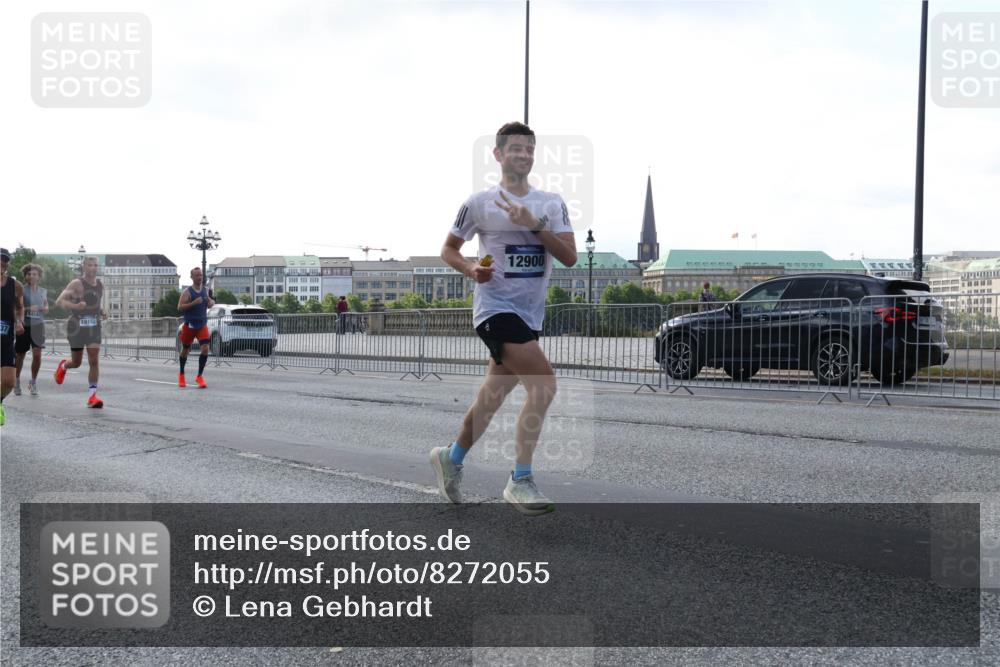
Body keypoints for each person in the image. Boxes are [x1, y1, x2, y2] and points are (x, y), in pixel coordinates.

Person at [430, 122, 576, 516]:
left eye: (529, 149)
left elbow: (569, 256)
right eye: (515, 149)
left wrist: (534, 223)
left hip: (530, 314)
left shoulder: (550, 203)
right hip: (494, 309)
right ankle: (520, 479)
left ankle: (451, 457)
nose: (523, 156)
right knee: (544, 384)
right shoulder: (479, 203)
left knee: (491, 398)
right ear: (498, 154)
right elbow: (448, 249)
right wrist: (470, 267)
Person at [53, 256, 107, 408]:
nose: (93, 268)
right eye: (90, 265)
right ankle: (64, 366)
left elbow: (94, 304)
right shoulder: (77, 283)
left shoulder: (100, 285)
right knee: (76, 362)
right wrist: (76, 306)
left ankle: (92, 397)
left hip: (93, 326)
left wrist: (102, 311)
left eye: (95, 265)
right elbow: (59, 301)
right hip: (76, 325)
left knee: (94, 360)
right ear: (84, 267)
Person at [177, 267, 215, 388]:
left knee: (205, 348)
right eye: (197, 275)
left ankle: (199, 376)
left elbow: (210, 302)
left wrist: (211, 303)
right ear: (192, 277)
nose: (200, 277)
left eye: (201, 275)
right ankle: (182, 374)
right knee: (185, 350)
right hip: (190, 325)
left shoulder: (205, 290)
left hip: (202, 324)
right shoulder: (187, 292)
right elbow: (179, 307)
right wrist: (193, 303)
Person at [14, 263, 48, 396]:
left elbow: (46, 307)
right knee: (20, 355)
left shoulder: (43, 291)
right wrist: (29, 309)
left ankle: (33, 382)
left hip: (38, 325)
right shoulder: (21, 290)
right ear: (25, 276)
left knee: (38, 354)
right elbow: (17, 307)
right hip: (25, 325)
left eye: (34, 274)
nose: (32, 276)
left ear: (39, 276)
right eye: (29, 274)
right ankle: (16, 380)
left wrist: (42, 308)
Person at [1, 248, 26, 426]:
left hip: (6, 337)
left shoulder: (15, 285)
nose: (2, 263)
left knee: (9, 381)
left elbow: (20, 307)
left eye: (5, 260)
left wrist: (19, 322)